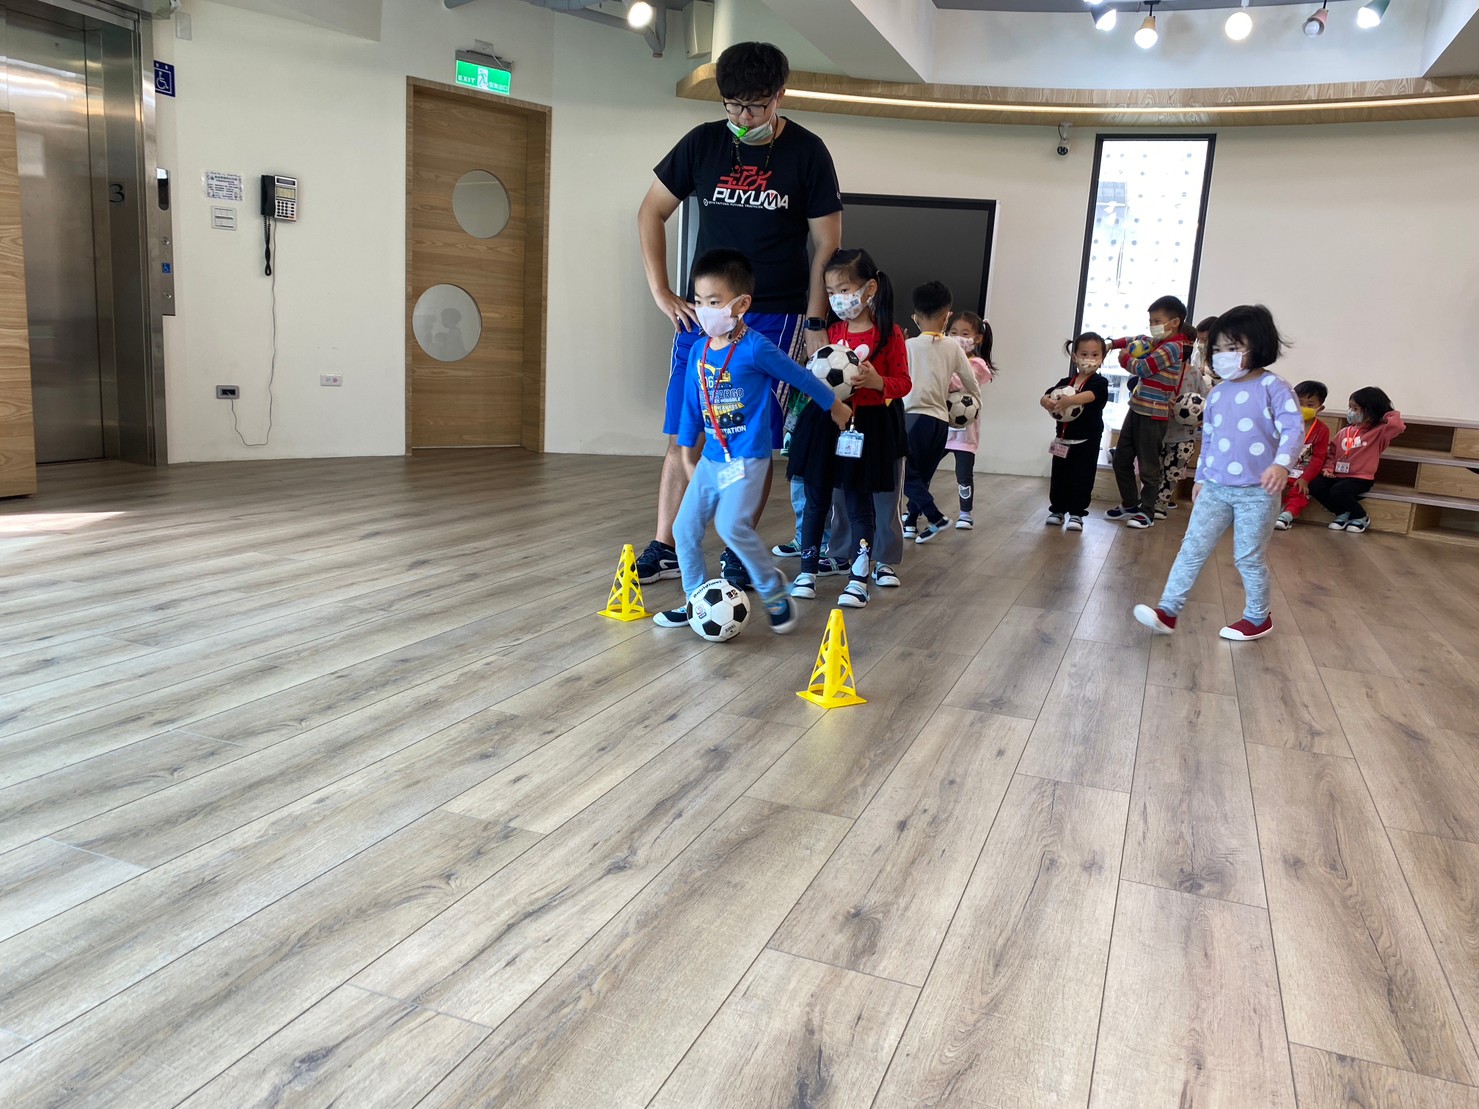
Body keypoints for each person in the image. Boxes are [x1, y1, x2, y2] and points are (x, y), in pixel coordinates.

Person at [635, 42, 843, 587]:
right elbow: (651, 211)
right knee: (685, 433)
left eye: (754, 106)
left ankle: (735, 551)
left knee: (751, 442)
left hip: (774, 315)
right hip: (702, 316)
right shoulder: (703, 143)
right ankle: (666, 544)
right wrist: (662, 291)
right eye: (733, 105)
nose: (743, 117)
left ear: (779, 96)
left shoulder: (807, 152)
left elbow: (826, 243)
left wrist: (815, 321)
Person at [652, 249, 850, 633]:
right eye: (698, 301)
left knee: (731, 526)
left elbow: (799, 376)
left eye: (714, 302)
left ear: (741, 304)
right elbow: (692, 405)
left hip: (746, 459)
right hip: (710, 460)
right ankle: (695, 602)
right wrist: (688, 454)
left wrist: (835, 406)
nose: (703, 310)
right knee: (683, 530)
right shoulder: (698, 349)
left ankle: (773, 590)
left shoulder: (756, 347)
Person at [1134, 304, 1303, 642]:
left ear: (1260, 345)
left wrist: (1281, 464)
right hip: (1214, 487)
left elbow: (1293, 429)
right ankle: (1168, 611)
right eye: (1219, 348)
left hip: (1258, 491)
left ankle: (1258, 617)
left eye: (1234, 347)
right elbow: (1209, 438)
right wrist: (1200, 478)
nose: (1224, 355)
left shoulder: (1275, 387)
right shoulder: (1218, 393)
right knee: (1191, 548)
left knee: (1248, 557)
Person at [786, 248, 910, 609]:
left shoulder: (890, 334)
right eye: (831, 292)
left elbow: (903, 382)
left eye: (844, 290)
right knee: (817, 499)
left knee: (859, 501)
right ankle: (807, 570)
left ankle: (859, 576)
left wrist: (877, 381)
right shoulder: (831, 331)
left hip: (868, 426)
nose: (838, 299)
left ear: (870, 288)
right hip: (826, 424)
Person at [901, 282, 980, 543]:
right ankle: (911, 524)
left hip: (912, 418)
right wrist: (977, 405)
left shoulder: (908, 345)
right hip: (940, 422)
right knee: (922, 475)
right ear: (947, 316)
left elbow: (897, 381)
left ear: (915, 317)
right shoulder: (953, 347)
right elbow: (970, 382)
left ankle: (935, 516)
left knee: (901, 471)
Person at [1106, 295, 1193, 529]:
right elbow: (1136, 338)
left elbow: (1144, 368)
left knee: (1148, 466)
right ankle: (1130, 504)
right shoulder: (1157, 342)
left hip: (1153, 415)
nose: (1152, 325)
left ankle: (1147, 512)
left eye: (1157, 321)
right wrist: (1112, 344)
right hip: (1136, 408)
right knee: (1121, 459)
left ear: (1174, 322)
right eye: (1151, 321)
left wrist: (1124, 357)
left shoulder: (1173, 347)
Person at [1309, 387, 1405, 533]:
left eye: (1356, 408)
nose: (1351, 412)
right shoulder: (1344, 432)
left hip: (1360, 478)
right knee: (1315, 485)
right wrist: (1328, 468)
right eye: (1350, 407)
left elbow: (1397, 426)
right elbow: (1332, 453)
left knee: (1338, 491)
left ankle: (1360, 516)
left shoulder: (1378, 433)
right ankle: (1342, 513)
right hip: (1338, 475)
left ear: (1369, 411)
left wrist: (1386, 412)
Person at [1041, 332, 1111, 532]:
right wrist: (1047, 401)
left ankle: (1077, 514)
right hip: (1062, 440)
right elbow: (1046, 396)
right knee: (1059, 477)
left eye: (1095, 355)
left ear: (1102, 358)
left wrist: (1070, 400)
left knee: (1083, 477)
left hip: (1086, 441)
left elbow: (1091, 396)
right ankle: (1057, 510)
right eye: (1084, 354)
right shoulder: (1065, 382)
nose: (1089, 359)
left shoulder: (1099, 382)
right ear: (1074, 357)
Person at [1154, 316, 1214, 518]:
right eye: (1181, 342)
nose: (1185, 347)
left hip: (1184, 435)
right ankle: (1149, 500)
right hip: (1160, 429)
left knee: (1172, 471)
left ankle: (1161, 503)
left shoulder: (1194, 373)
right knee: (1155, 469)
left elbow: (1204, 401)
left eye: (1190, 343)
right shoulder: (1160, 370)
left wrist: (1200, 415)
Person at [943, 311, 995, 530]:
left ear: (978, 338)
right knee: (924, 469)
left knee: (964, 475)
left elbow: (955, 382)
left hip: (965, 433)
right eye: (953, 332)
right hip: (941, 429)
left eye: (965, 334)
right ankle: (914, 510)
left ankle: (965, 513)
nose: (958, 337)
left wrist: (938, 367)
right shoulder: (946, 360)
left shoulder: (978, 365)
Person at [1274, 380, 1331, 530]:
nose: (1303, 408)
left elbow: (1318, 458)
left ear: (1320, 408)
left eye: (1310, 405)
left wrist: (1305, 479)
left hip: (1303, 473)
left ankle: (1288, 515)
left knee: (1299, 491)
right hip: (1281, 469)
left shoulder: (1322, 430)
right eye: (1299, 403)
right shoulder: (1283, 424)